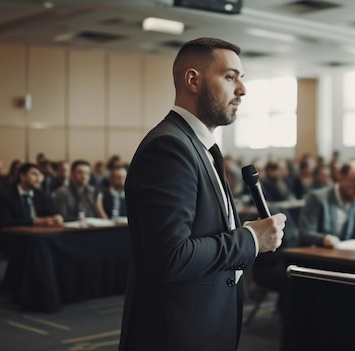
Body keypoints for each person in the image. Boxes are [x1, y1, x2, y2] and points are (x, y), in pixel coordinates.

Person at [118, 37, 286, 351]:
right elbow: (170, 256)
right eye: (230, 76)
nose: (242, 89)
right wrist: (250, 239)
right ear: (193, 80)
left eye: (241, 78)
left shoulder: (199, 147)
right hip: (174, 334)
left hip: (203, 322)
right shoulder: (169, 147)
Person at [298, 160, 355, 247]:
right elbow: (305, 234)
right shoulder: (317, 198)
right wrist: (324, 239)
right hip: (326, 256)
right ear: (340, 178)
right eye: (353, 185)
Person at [0, 163, 63, 253]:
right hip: (12, 239)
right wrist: (35, 221)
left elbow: (52, 211)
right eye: (34, 174)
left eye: (40, 175)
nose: (39, 178)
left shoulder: (40, 194)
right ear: (22, 176)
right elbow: (5, 222)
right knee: (41, 246)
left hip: (37, 236)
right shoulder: (6, 196)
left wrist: (57, 217)